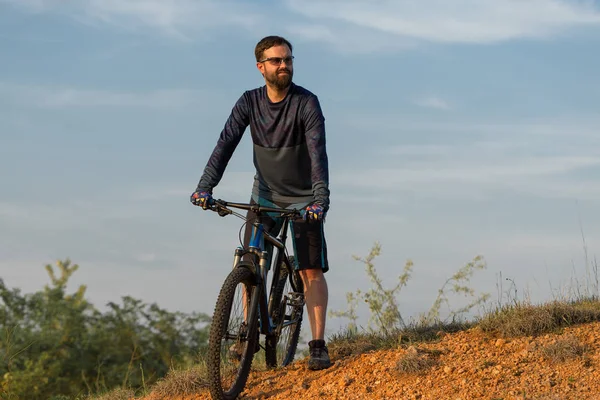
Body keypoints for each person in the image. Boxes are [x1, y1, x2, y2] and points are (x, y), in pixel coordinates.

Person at [190, 35, 332, 370]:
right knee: (250, 259)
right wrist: (205, 187)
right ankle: (247, 330)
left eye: (288, 59)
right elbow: (225, 143)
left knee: (309, 269)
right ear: (260, 67)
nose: (284, 65)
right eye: (276, 61)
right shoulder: (249, 103)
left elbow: (317, 155)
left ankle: (317, 345)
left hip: (303, 199)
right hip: (264, 195)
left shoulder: (306, 103)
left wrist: (320, 199)